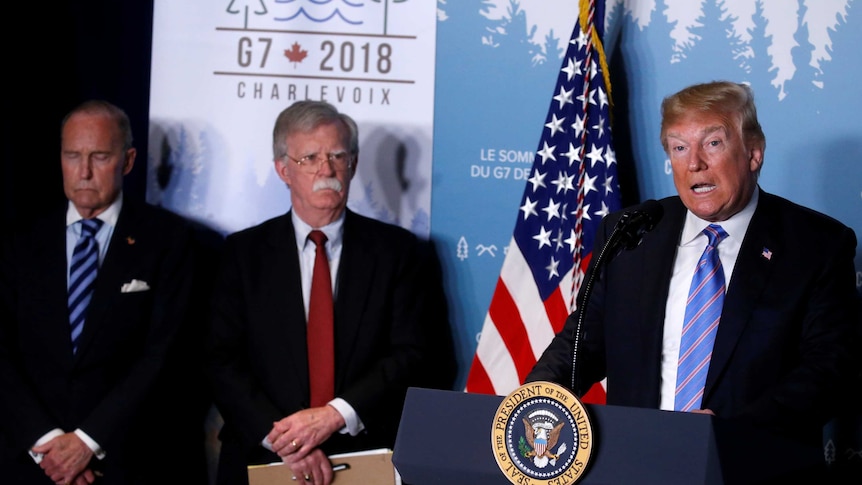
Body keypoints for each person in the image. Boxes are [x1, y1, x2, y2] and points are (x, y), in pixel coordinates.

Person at [527, 81, 861, 452]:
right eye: (679, 147)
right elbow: (581, 344)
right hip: (634, 461)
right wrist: (530, 403)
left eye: (713, 143)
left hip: (751, 465)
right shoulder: (631, 232)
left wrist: (728, 432)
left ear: (754, 153)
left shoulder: (816, 245)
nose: (694, 163)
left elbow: (829, 371)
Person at [204, 100, 456, 485]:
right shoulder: (240, 254)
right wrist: (288, 442)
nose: (326, 169)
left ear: (353, 163)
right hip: (264, 455)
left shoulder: (401, 253)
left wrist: (337, 414)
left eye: (337, 155)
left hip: (369, 455)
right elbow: (219, 360)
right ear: (283, 169)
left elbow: (422, 356)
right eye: (310, 158)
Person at [0, 100, 210, 485]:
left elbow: (163, 355)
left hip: (129, 462)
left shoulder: (169, 241)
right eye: (72, 156)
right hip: (33, 463)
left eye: (99, 156)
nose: (83, 172)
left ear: (127, 161)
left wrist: (86, 442)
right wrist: (49, 444)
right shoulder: (20, 242)